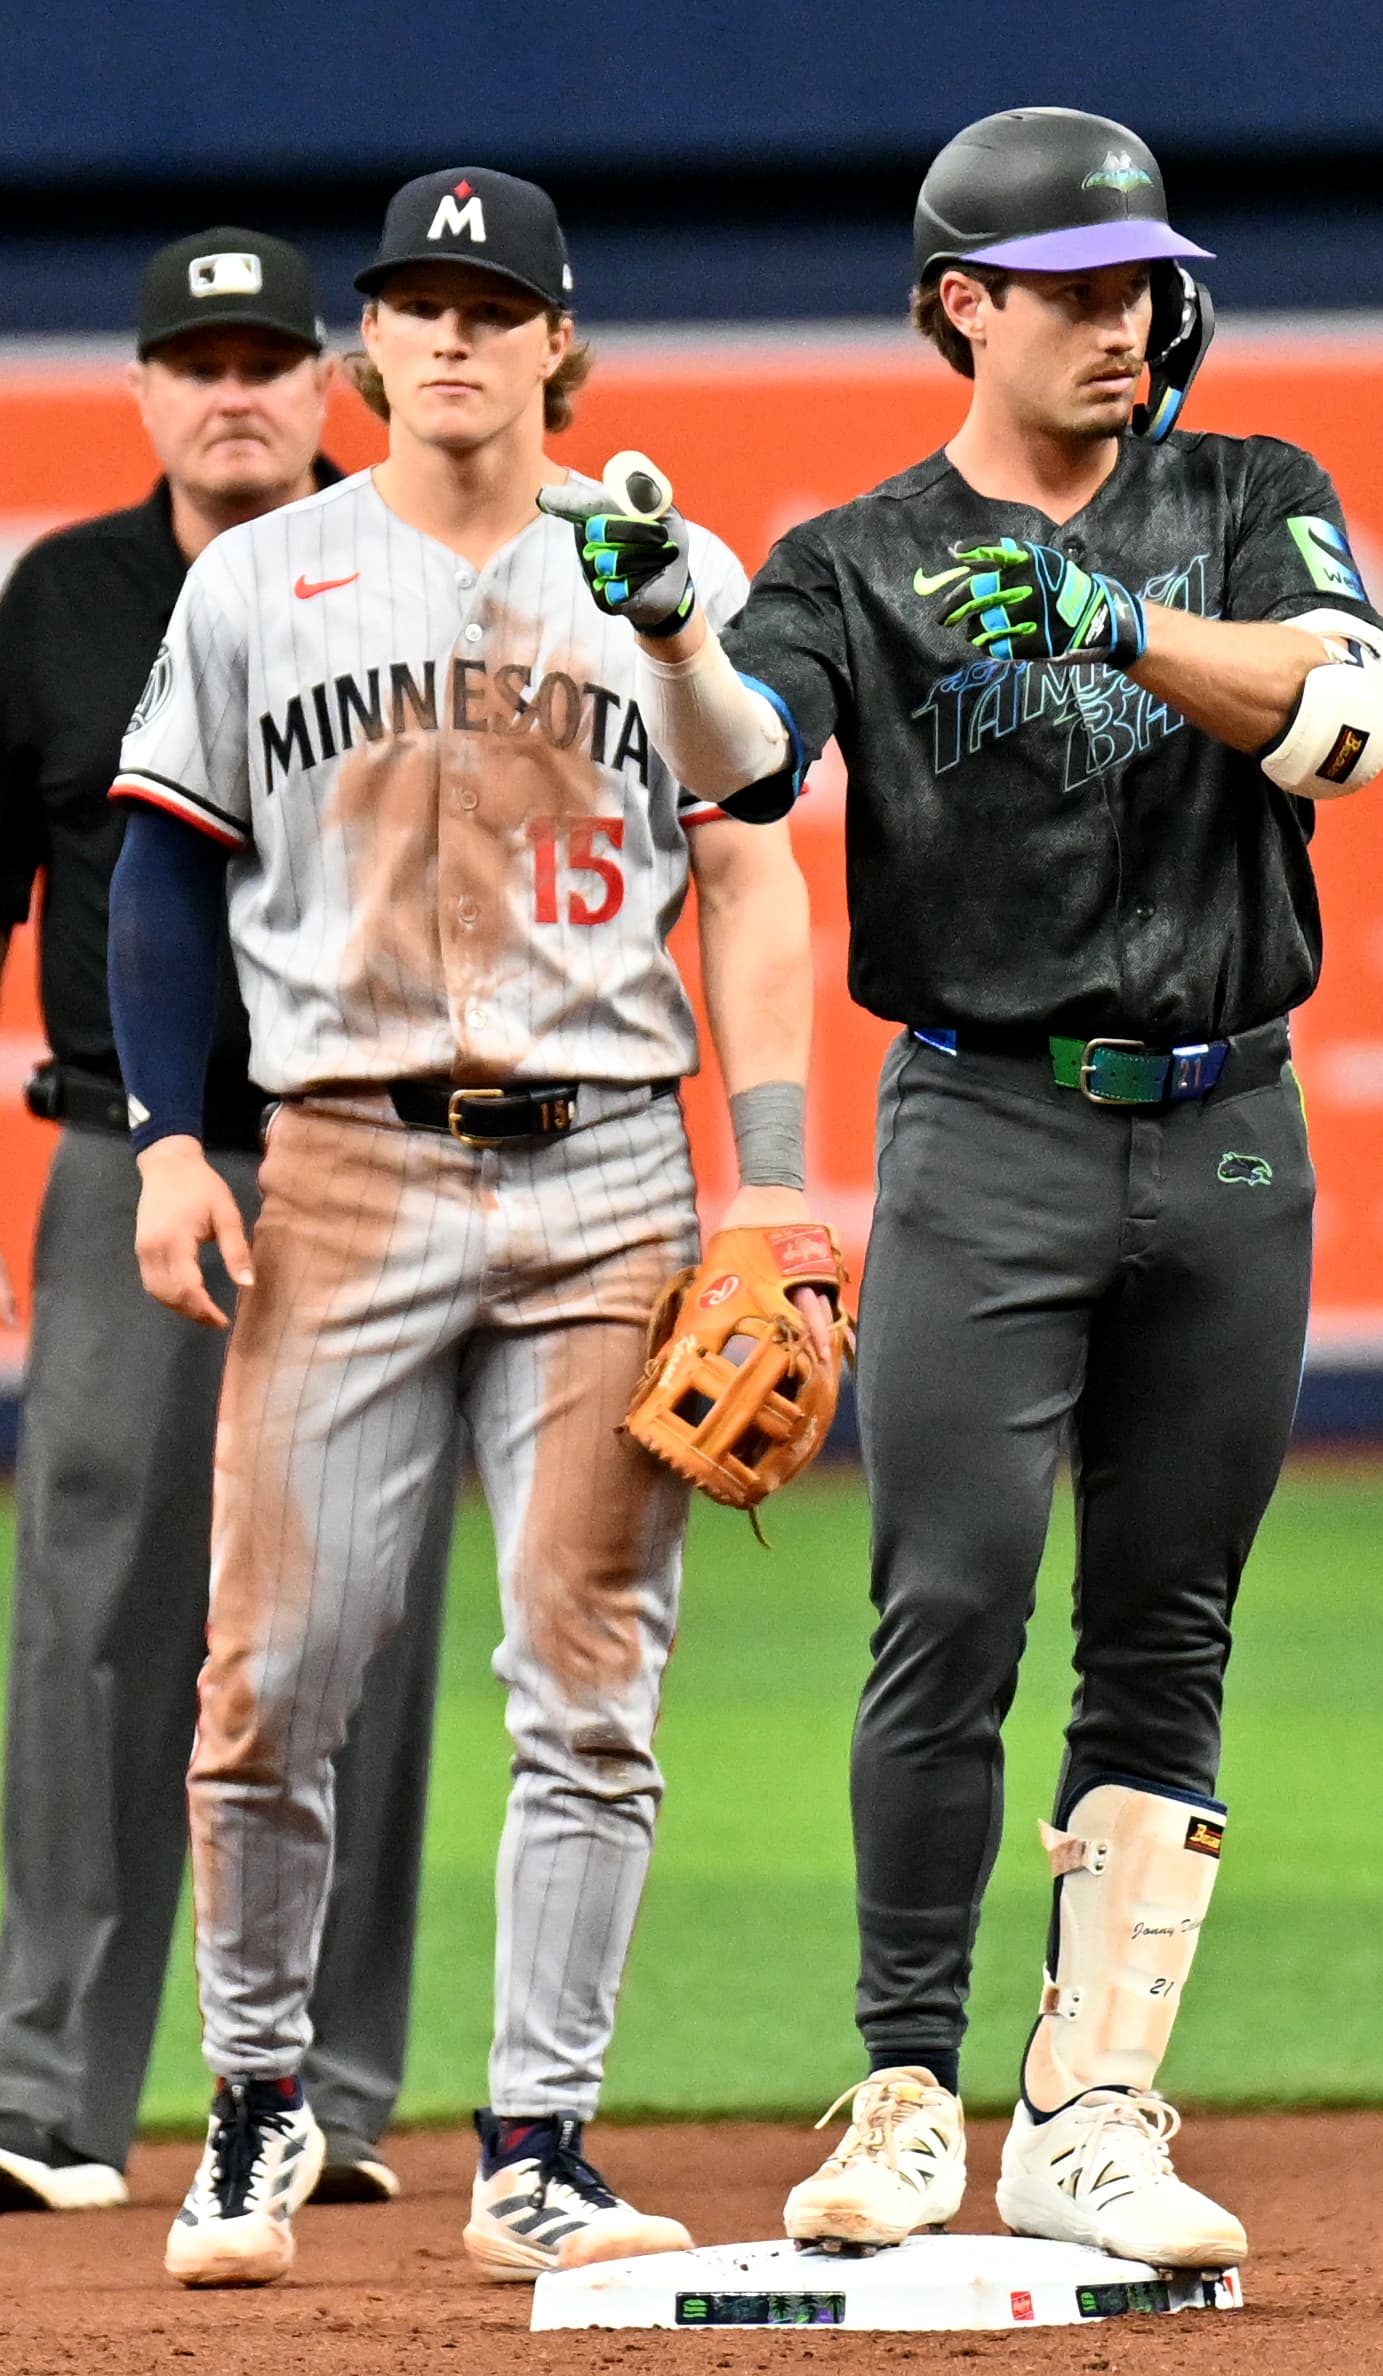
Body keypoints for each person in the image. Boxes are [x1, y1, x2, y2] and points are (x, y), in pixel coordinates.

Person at [548, 106, 1383, 2270]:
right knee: (948, 1604)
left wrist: (1121, 624)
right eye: (1074, 290)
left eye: (1141, 287)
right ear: (963, 305)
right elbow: (754, 760)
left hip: (1229, 1121)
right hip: (988, 1122)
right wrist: (674, 636)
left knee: (1168, 1622)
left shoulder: (1249, 495)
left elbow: (1350, 718)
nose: (1125, 322)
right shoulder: (860, 555)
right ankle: (911, 2091)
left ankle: (1091, 2109)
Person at [107, 166, 821, 2290]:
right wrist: (170, 1141)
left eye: (490, 307)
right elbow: (162, 871)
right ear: (370, 347)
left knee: (590, 1685)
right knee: (275, 1672)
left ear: (555, 343)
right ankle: (257, 2108)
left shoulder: (658, 566)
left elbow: (755, 839)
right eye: (415, 304)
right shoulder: (262, 579)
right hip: (340, 1163)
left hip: (609, 1175)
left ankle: (540, 2146)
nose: (448, 335)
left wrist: (776, 1167)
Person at [0, 227, 452, 2215]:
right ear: (143, 391)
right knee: (95, 1613)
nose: (235, 390)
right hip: (132, 1157)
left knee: (364, 1619)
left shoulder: (418, 573)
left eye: (269, 357)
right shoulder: (65, 599)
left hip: (382, 1159)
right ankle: (47, 2093)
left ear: (328, 382)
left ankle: (324, 2097)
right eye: (198, 360)